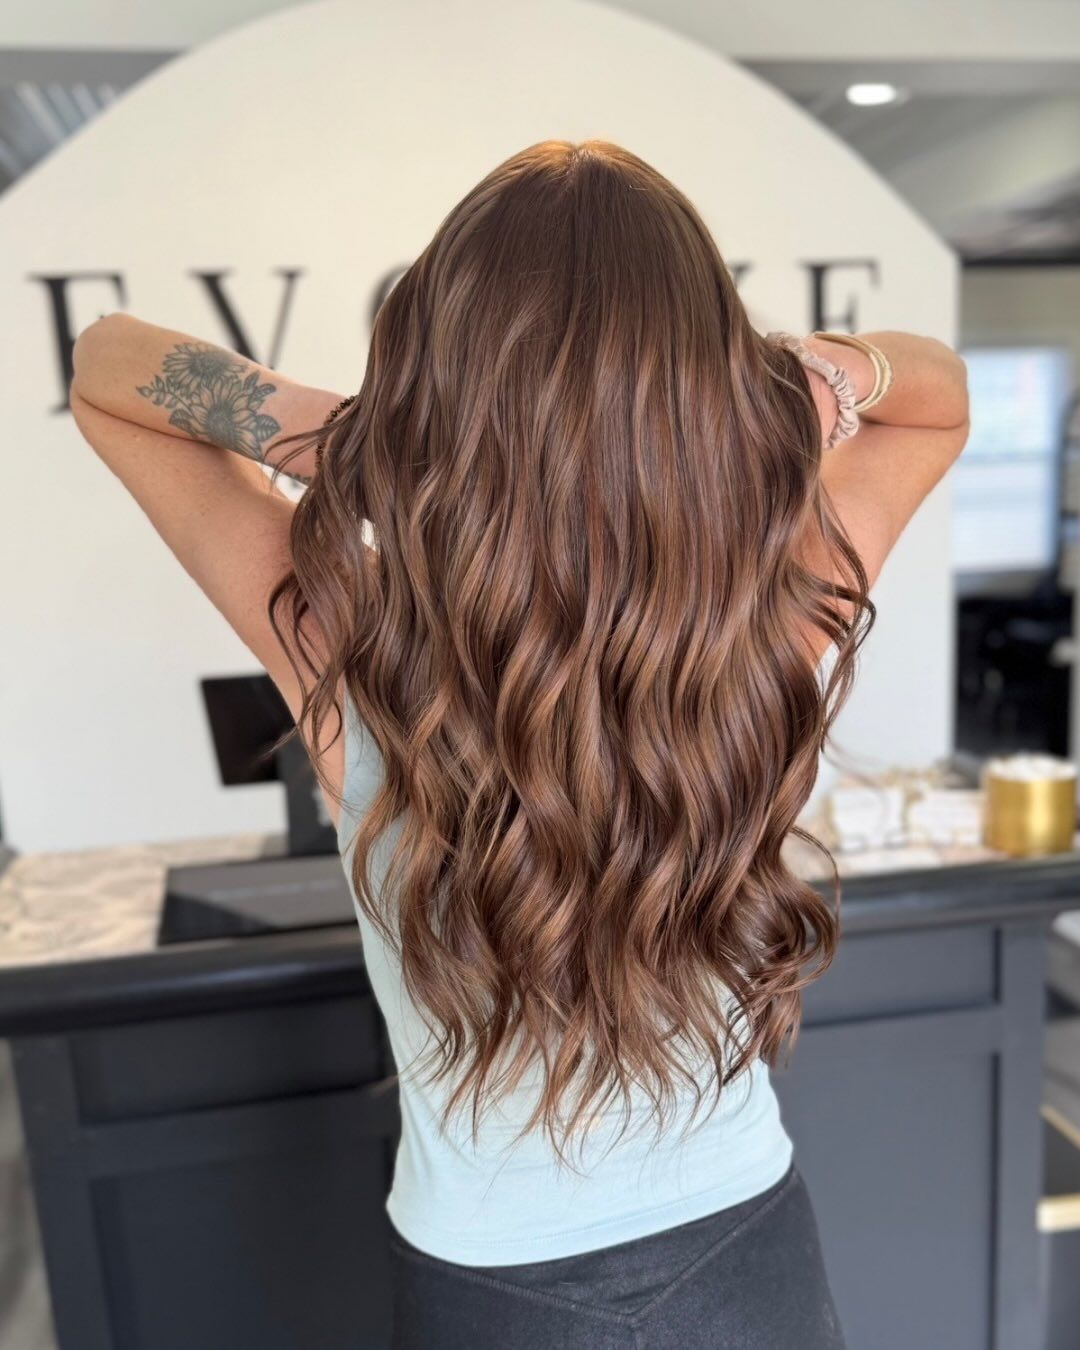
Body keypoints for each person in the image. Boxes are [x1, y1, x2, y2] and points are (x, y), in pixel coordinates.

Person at [69, 139, 969, 1349]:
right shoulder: (761, 625)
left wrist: (344, 440)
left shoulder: (359, 654)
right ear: (699, 388)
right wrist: (810, 374)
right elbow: (935, 396)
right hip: (746, 1251)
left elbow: (107, 366)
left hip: (490, 1292)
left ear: (437, 366)